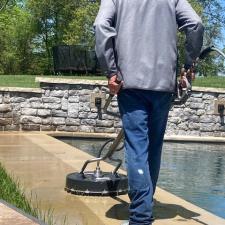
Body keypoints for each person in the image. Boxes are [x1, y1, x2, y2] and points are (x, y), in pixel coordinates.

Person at [94, 0, 204, 224]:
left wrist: (111, 71)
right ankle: (146, 205)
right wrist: (189, 62)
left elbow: (101, 26)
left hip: (130, 83)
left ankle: (141, 216)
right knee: (153, 148)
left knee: (137, 149)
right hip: (163, 84)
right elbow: (195, 23)